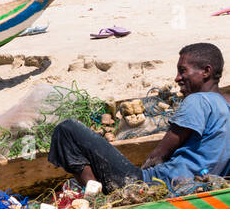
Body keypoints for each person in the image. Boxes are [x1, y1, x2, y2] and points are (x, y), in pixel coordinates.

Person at [48, 44, 230, 193]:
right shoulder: (226, 106)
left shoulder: (197, 100)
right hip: (201, 185)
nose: (177, 78)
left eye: (183, 71)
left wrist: (136, 189)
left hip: (157, 184)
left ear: (206, 71)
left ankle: (94, 196)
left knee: (67, 129)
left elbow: (158, 156)